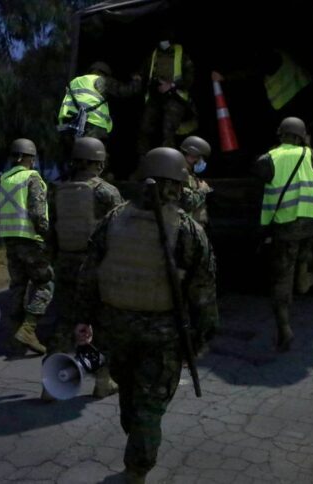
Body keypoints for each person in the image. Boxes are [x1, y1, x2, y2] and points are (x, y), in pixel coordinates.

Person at [75, 147, 219, 483]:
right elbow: (204, 294)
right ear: (179, 186)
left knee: (130, 393)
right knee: (149, 406)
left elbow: (88, 276)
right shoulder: (187, 230)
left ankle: (136, 446)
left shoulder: (113, 220)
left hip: (115, 330)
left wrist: (83, 320)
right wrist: (199, 340)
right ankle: (137, 471)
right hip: (162, 336)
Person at [44, 137, 124, 401]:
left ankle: (49, 386)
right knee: (100, 322)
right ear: (99, 162)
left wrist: (53, 261)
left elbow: (51, 232)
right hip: (95, 266)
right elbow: (119, 231)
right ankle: (103, 381)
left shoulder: (58, 191)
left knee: (64, 322)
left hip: (65, 263)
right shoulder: (106, 192)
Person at [254, 117, 313, 352]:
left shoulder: (268, 159)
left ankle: (284, 328)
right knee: (304, 249)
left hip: (286, 226)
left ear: (280, 134)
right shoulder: (310, 154)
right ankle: (304, 272)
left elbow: (259, 179)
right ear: (301, 136)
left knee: (281, 278)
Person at [0, 138, 53, 355]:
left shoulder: (4, 179)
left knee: (18, 287)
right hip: (31, 239)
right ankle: (29, 329)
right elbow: (38, 214)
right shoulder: (32, 178)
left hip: (11, 239)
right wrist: (48, 236)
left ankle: (15, 338)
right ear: (29, 158)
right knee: (45, 284)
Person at [137, 33, 196, 155]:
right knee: (145, 128)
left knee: (168, 131)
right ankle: (145, 160)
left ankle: (170, 161)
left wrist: (171, 85)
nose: (163, 42)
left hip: (175, 96)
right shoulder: (153, 55)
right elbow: (143, 72)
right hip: (155, 96)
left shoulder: (181, 55)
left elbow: (190, 77)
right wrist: (138, 77)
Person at [57, 61, 141, 145]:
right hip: (96, 129)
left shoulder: (79, 82)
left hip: (77, 127)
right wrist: (137, 79)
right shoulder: (105, 81)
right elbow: (125, 91)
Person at [178, 135, 213, 228]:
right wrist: (202, 190)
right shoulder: (181, 173)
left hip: (192, 228)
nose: (203, 162)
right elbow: (187, 204)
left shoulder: (189, 175)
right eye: (202, 158)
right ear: (193, 154)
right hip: (186, 229)